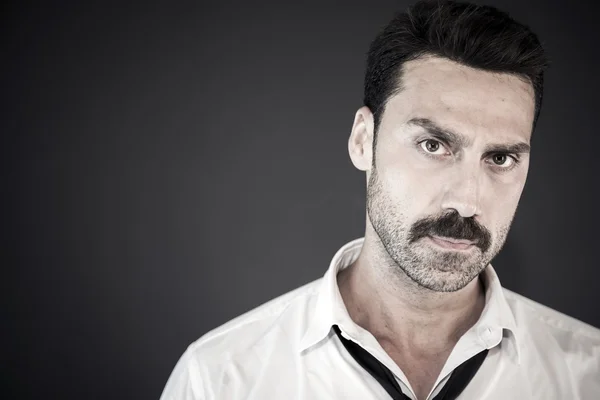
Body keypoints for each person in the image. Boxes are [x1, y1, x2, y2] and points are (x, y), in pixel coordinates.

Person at [160, 1, 600, 399]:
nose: (467, 201)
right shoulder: (221, 379)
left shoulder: (587, 377)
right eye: (433, 145)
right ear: (362, 140)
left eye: (500, 157)